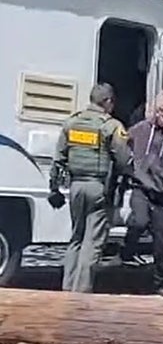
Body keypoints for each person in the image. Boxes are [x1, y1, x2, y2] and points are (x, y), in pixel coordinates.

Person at [48, 83, 132, 293]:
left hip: (75, 186)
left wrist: (54, 189)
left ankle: (67, 287)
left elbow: (58, 160)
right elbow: (123, 160)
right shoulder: (112, 126)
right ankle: (82, 292)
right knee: (92, 241)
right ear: (108, 102)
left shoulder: (72, 123)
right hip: (98, 187)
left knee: (76, 237)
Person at [121, 90, 163, 296]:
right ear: (158, 112)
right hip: (141, 188)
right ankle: (127, 249)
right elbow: (121, 147)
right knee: (139, 221)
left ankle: (161, 281)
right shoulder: (139, 130)